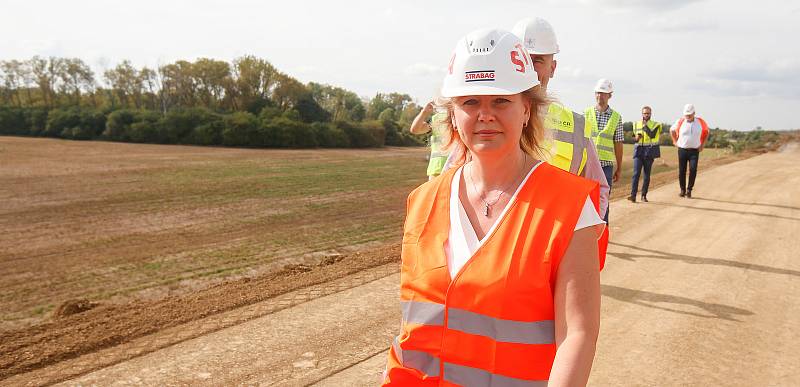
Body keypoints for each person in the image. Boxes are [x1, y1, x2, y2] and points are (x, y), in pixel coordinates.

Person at [383, 28, 602, 386]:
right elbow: (413, 327)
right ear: (453, 115)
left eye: (501, 101)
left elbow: (577, 335)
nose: (485, 115)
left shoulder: (570, 207)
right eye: (470, 102)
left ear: (527, 110)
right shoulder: (421, 202)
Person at [512, 16, 610, 269]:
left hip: (553, 252)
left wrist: (579, 247)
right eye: (523, 58)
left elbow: (597, 189)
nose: (530, 68)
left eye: (538, 61)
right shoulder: (488, 115)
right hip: (500, 250)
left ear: (552, 68)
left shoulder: (575, 126)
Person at [585, 79, 623, 223]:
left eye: (604, 93)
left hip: (606, 165)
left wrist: (619, 167)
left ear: (610, 95)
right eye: (598, 93)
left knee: (603, 200)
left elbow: (618, 143)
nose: (600, 96)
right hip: (588, 163)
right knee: (585, 198)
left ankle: (602, 231)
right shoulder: (586, 113)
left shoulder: (616, 118)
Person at [670, 103, 709, 198]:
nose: (687, 116)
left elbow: (707, 132)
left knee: (693, 169)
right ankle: (682, 190)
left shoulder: (700, 122)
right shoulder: (680, 121)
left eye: (689, 114)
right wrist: (674, 141)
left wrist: (703, 145)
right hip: (682, 150)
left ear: (694, 113)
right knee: (682, 171)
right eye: (686, 114)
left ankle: (689, 189)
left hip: (694, 151)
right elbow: (671, 130)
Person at [628, 106, 662, 202]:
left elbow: (652, 135)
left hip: (649, 151)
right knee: (636, 173)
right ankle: (633, 196)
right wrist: (636, 138)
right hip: (638, 150)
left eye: (648, 113)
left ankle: (643, 195)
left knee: (646, 175)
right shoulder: (635, 124)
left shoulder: (656, 124)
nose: (646, 115)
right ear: (642, 114)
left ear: (651, 114)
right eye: (644, 113)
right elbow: (633, 137)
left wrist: (645, 126)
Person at [409, 101, 449, 180]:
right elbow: (415, 129)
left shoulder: (461, 118)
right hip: (437, 170)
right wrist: (424, 113)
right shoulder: (436, 119)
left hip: (457, 169)